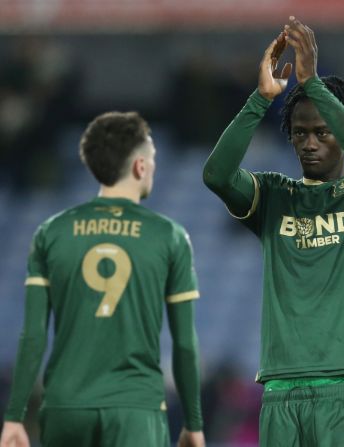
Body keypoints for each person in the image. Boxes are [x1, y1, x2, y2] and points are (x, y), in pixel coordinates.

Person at [202, 17, 344, 447]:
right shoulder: (274, 196)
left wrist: (312, 86)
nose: (309, 142)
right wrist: (260, 98)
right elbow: (217, 175)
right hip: (280, 389)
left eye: (322, 132)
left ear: (342, 135)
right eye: (300, 133)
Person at [0, 112, 205, 447]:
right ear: (140, 166)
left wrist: (14, 416)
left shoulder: (51, 232)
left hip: (66, 407)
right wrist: (193, 424)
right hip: (135, 407)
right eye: (152, 159)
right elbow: (184, 342)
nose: (153, 167)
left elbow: (33, 335)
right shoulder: (169, 236)